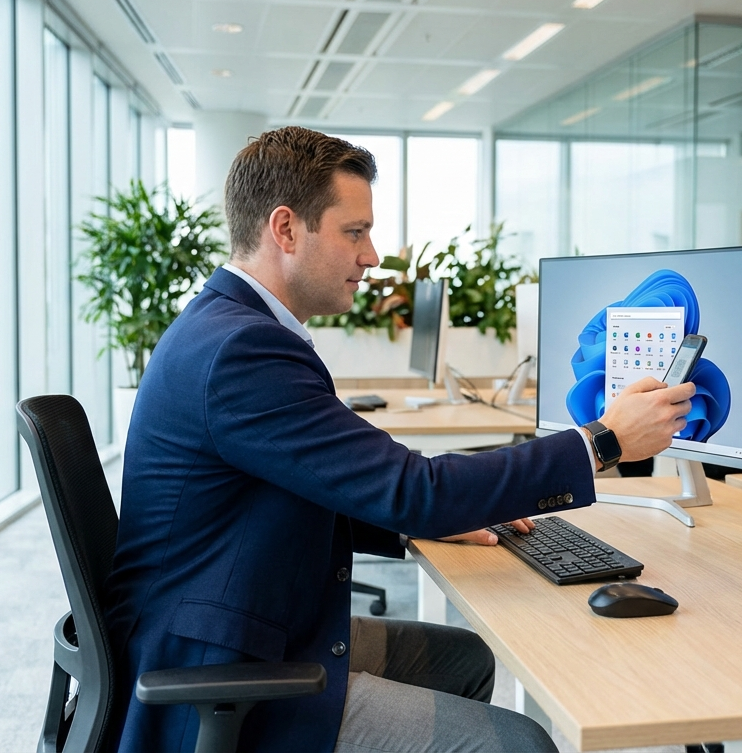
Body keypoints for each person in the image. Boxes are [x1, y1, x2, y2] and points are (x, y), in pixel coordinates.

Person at [103, 126, 695, 753]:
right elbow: (414, 488)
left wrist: (427, 516)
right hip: (222, 670)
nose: (371, 255)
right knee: (517, 742)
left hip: (237, 620)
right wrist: (600, 443)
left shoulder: (229, 328)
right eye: (354, 232)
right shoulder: (243, 350)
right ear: (285, 230)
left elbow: (318, 488)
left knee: (462, 658)